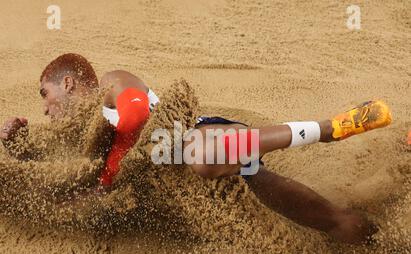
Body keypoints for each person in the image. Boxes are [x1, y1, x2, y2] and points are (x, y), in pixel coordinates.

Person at [0, 53, 392, 244]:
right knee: (341, 226)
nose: (44, 108)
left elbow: (137, 118)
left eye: (44, 94)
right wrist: (20, 148)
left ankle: (327, 128)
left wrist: (105, 179)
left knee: (188, 154)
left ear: (67, 84)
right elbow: (61, 185)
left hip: (201, 142)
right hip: (209, 188)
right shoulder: (81, 137)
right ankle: (390, 240)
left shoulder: (110, 83)